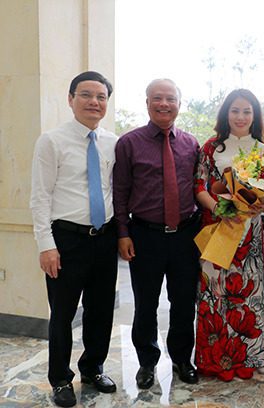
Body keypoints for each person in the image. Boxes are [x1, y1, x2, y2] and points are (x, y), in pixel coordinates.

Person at [30, 71, 118, 407]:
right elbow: (40, 197)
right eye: (86, 95)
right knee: (63, 314)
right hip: (67, 240)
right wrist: (46, 245)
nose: (94, 102)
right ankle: (60, 379)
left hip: (105, 237)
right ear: (71, 99)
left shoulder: (113, 142)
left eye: (101, 97)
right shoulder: (51, 141)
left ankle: (93, 368)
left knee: (100, 311)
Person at [113, 78, 200, 389]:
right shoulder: (129, 143)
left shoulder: (191, 144)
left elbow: (199, 188)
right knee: (146, 304)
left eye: (170, 98)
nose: (164, 104)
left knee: (184, 302)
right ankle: (147, 362)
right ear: (147, 103)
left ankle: (182, 359)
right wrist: (123, 233)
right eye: (157, 98)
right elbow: (120, 191)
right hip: (145, 236)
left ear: (179, 103)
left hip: (185, 236)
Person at [194, 89, 264, 381]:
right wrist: (220, 208)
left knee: (248, 296)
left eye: (246, 111)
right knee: (215, 294)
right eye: (235, 110)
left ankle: (248, 359)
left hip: (249, 235)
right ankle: (216, 360)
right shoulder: (211, 147)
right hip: (217, 228)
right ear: (226, 113)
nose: (240, 117)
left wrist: (262, 203)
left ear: (255, 115)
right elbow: (199, 187)